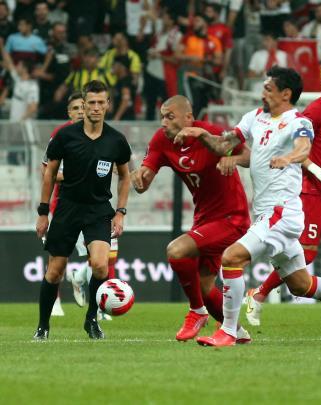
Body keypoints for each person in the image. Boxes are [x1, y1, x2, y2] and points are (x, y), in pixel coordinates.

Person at [174, 66, 321, 347]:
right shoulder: (254, 118)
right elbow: (223, 145)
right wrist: (200, 134)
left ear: (285, 94)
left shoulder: (298, 121)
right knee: (302, 284)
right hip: (265, 214)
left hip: (283, 213)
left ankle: (228, 330)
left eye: (268, 88)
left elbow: (303, 149)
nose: (262, 92)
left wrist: (289, 158)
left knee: (231, 258)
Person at [244, 64, 321, 327]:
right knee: (306, 256)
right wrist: (319, 172)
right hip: (311, 189)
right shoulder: (314, 111)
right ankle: (259, 293)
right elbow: (299, 146)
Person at [131, 95, 252, 343]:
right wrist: (139, 177)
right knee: (205, 287)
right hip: (205, 219)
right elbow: (145, 180)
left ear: (189, 117)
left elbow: (250, 157)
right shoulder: (161, 141)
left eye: (170, 116)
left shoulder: (211, 133)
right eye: (162, 116)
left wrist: (233, 158)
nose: (163, 121)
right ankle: (237, 332)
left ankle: (197, 312)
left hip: (232, 217)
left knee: (176, 250)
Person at [34, 80, 131, 340]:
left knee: (100, 266)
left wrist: (120, 212)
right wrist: (43, 212)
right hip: (67, 208)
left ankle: (91, 321)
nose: (96, 107)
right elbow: (49, 173)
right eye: (92, 103)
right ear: (84, 105)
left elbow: (125, 176)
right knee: (55, 270)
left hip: (99, 209)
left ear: (108, 105)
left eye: (101, 102)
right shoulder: (66, 136)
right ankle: (43, 326)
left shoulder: (117, 140)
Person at [40, 91, 85, 315]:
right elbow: (46, 171)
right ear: (69, 112)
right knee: (58, 260)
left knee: (101, 258)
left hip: (92, 206)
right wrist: (75, 177)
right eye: (75, 108)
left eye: (83, 107)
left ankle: (81, 279)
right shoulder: (60, 134)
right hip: (63, 205)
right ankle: (55, 301)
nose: (80, 112)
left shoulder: (97, 134)